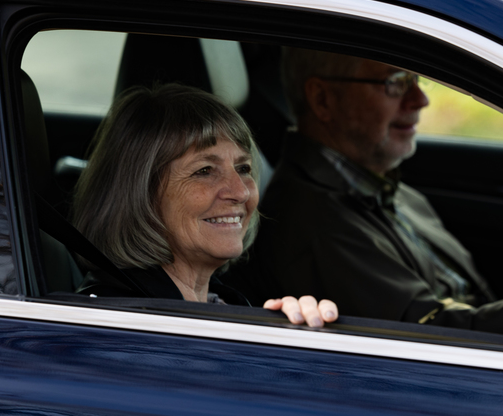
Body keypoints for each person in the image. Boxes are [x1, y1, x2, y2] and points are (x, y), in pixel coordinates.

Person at [243, 49, 503, 347]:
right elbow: (442, 340)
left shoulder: (382, 188)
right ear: (322, 98)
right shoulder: (314, 228)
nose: (421, 99)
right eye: (395, 83)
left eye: (415, 78)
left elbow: (466, 309)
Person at [71, 83, 338, 328]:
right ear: (140, 193)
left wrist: (297, 334)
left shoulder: (221, 302)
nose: (241, 192)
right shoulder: (115, 323)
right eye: (205, 170)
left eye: (243, 168)